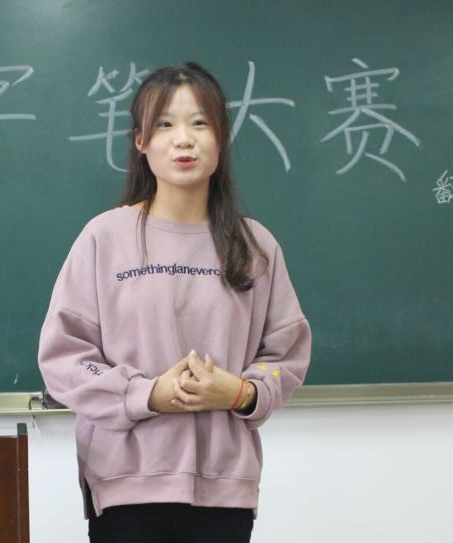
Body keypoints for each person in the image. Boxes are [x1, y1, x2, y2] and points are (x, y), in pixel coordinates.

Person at [37, 61, 311, 543]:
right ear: (141, 142)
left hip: (224, 491)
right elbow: (65, 358)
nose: (184, 139)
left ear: (221, 139)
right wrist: (145, 394)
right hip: (124, 487)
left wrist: (241, 393)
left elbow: (284, 355)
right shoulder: (104, 237)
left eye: (200, 123)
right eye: (165, 124)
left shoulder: (255, 246)